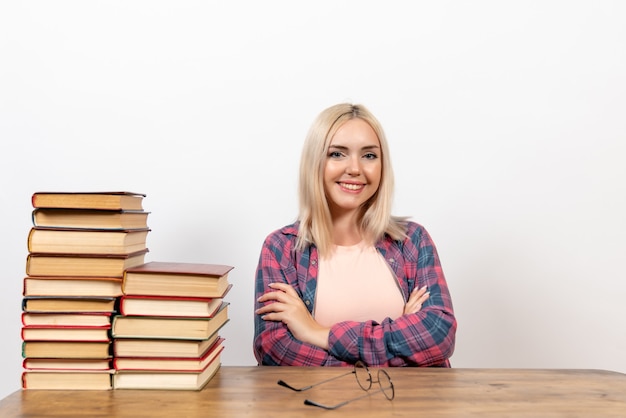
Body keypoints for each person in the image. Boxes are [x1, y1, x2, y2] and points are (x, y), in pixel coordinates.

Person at [254, 103, 456, 367]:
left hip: (412, 408)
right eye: (337, 154)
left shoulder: (412, 241)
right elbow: (275, 350)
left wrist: (317, 333)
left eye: (369, 156)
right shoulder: (281, 249)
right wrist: (400, 345)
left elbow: (439, 335)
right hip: (317, 408)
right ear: (315, 162)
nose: (355, 169)